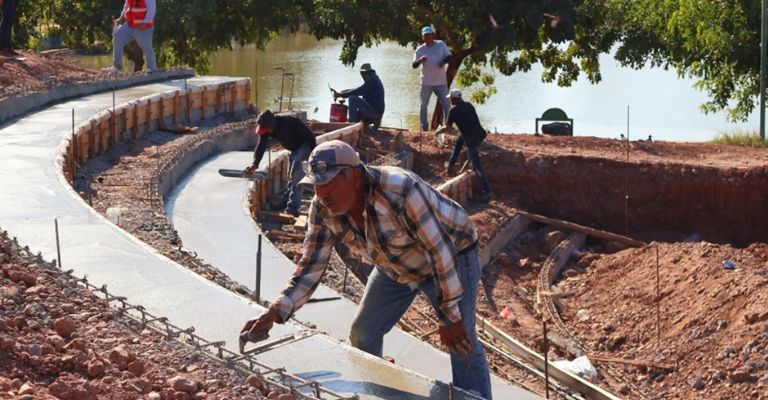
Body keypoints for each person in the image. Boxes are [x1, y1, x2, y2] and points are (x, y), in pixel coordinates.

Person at [240, 140, 493, 399]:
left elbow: (439, 252)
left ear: (356, 178)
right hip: (395, 263)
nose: (322, 193)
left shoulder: (401, 189)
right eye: (317, 184)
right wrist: (274, 313)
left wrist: (450, 316)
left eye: (329, 183)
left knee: (462, 342)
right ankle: (376, 392)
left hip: (451, 252)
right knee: (363, 333)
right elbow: (311, 267)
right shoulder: (323, 208)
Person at [245, 110, 316, 217]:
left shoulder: (290, 121)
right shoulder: (267, 128)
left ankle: (293, 207)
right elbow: (261, 145)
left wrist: (313, 155)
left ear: (272, 124)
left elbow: (310, 136)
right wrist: (255, 164)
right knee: (290, 177)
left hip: (304, 146)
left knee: (297, 176)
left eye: (266, 129)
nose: (265, 132)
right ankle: (286, 202)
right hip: (292, 149)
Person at [442, 88, 493, 202]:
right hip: (480, 134)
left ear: (454, 99)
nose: (450, 100)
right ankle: (451, 164)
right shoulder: (469, 105)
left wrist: (440, 130)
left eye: (450, 98)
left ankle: (487, 192)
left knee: (476, 166)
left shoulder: (453, 110)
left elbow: (448, 127)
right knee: (460, 140)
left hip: (471, 140)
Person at [412, 26, 452, 132]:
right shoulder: (420, 49)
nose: (427, 37)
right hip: (426, 82)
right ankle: (424, 127)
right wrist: (420, 60)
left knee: (446, 104)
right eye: (425, 36)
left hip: (441, 81)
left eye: (429, 35)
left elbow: (449, 56)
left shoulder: (441, 44)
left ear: (433, 35)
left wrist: (443, 62)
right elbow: (414, 65)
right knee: (423, 105)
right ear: (422, 37)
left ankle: (448, 126)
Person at [103, 0, 157, 73]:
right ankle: (116, 68)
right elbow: (127, 6)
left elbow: (152, 8)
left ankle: (152, 69)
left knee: (147, 47)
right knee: (118, 37)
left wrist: (146, 22)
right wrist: (121, 18)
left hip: (142, 26)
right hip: (130, 24)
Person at [331, 63, 385, 129]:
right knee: (355, 101)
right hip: (375, 111)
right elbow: (357, 89)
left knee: (352, 98)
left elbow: (358, 91)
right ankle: (360, 121)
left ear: (363, 73)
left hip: (375, 112)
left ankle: (353, 123)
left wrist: (341, 95)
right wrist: (341, 93)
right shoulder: (373, 78)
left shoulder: (372, 80)